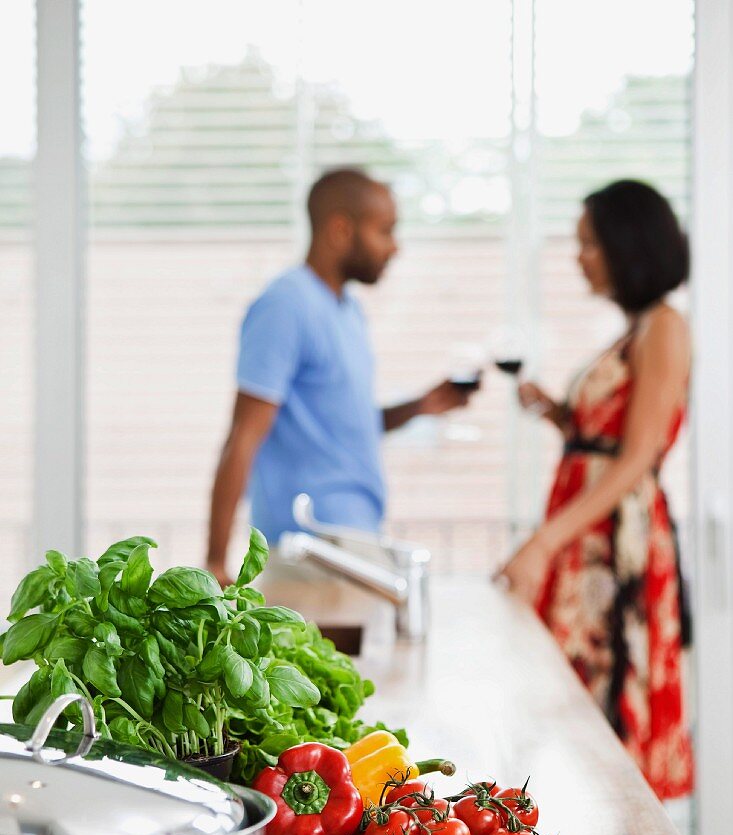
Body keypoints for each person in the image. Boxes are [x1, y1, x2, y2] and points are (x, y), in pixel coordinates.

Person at [498, 179, 694, 801]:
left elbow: (638, 456)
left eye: (590, 243)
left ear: (627, 244)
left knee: (606, 703)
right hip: (590, 536)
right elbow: (611, 438)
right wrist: (560, 414)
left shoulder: (664, 326)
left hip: (616, 543)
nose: (579, 256)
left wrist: (543, 543)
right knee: (577, 707)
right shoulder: (634, 329)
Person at [207, 167, 473, 586]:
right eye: (385, 231)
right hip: (311, 548)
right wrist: (215, 564)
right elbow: (243, 436)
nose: (395, 247)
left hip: (354, 541)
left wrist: (421, 407)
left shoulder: (348, 310)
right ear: (340, 230)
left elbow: (342, 424)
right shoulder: (285, 305)